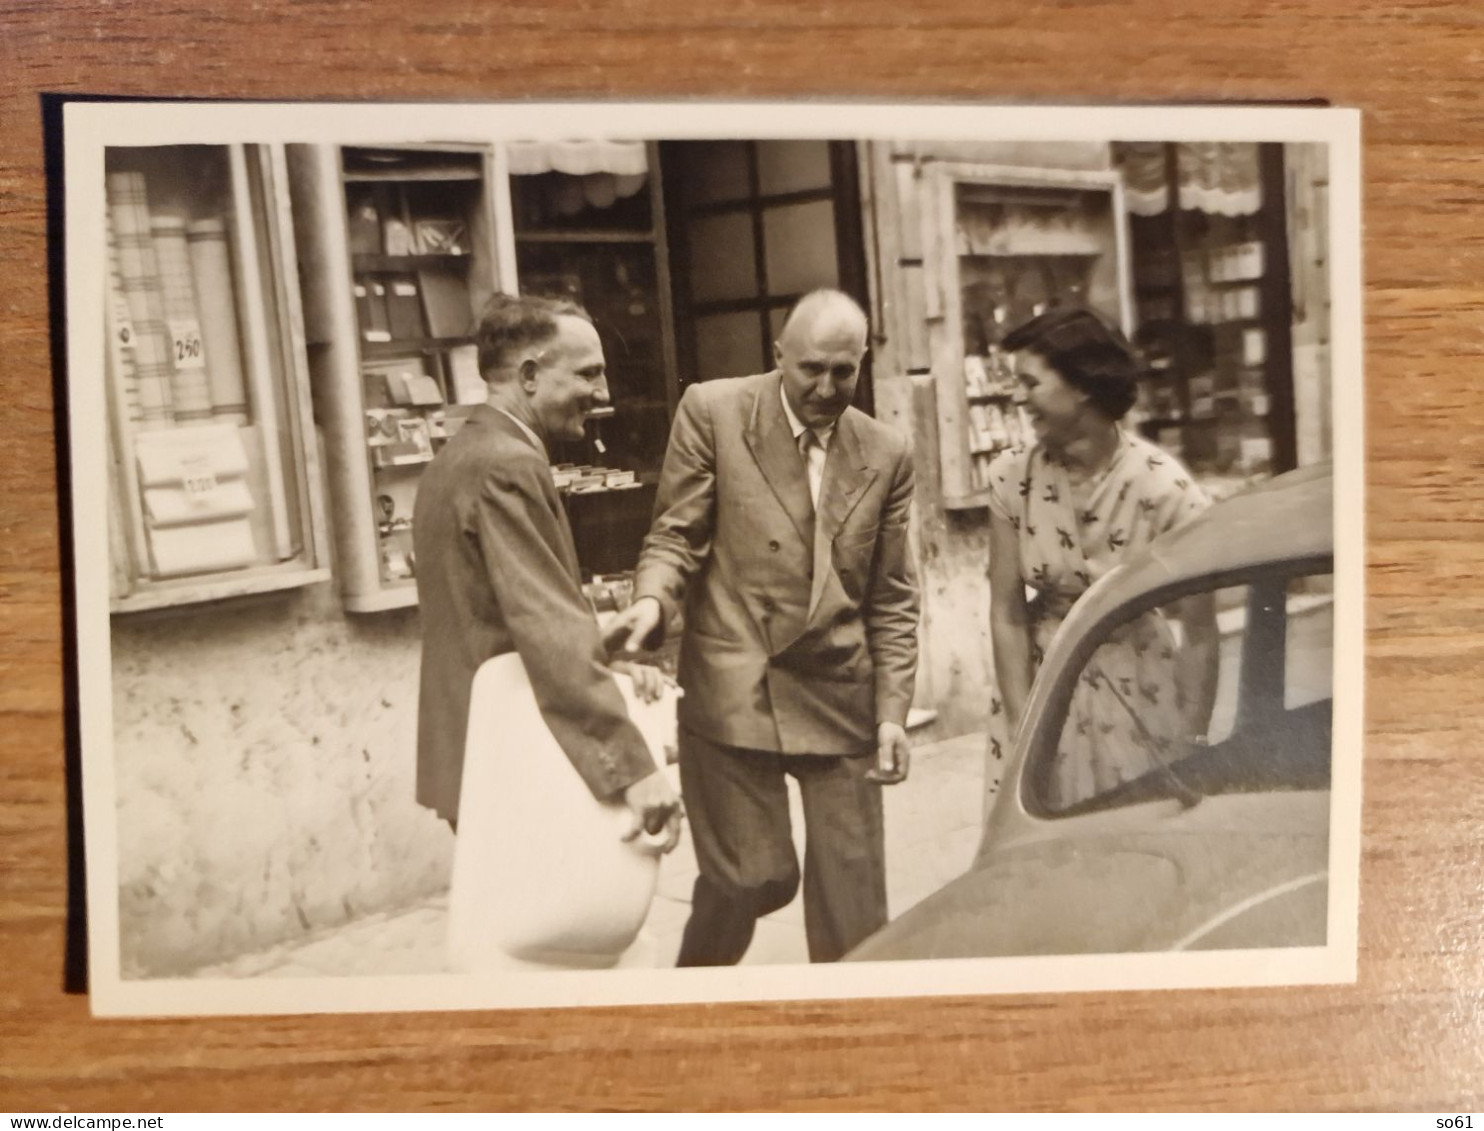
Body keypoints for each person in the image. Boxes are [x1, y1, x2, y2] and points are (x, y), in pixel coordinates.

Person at [603, 288, 919, 965]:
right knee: (752, 877)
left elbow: (892, 597)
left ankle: (845, 1043)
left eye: (844, 371)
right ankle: (694, 999)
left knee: (856, 910)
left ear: (862, 364)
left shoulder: (886, 452)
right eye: (811, 369)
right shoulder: (715, 412)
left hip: (839, 689)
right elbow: (675, 535)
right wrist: (653, 603)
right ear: (778, 355)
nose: (827, 388)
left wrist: (892, 711)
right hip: (736, 681)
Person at [413, 292, 683, 852]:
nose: (602, 394)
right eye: (589, 374)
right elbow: (545, 627)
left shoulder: (462, 454)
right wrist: (634, 771)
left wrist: (605, 662)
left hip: (480, 750)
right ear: (531, 375)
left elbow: (493, 617)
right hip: (513, 757)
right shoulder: (506, 465)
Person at [984, 306, 1218, 814]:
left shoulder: (1163, 488)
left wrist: (1192, 741)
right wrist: (1026, 729)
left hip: (1140, 690)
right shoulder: (1011, 479)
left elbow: (1199, 632)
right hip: (1044, 690)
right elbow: (1005, 613)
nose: (1017, 396)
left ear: (1082, 387)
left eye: (1030, 382)